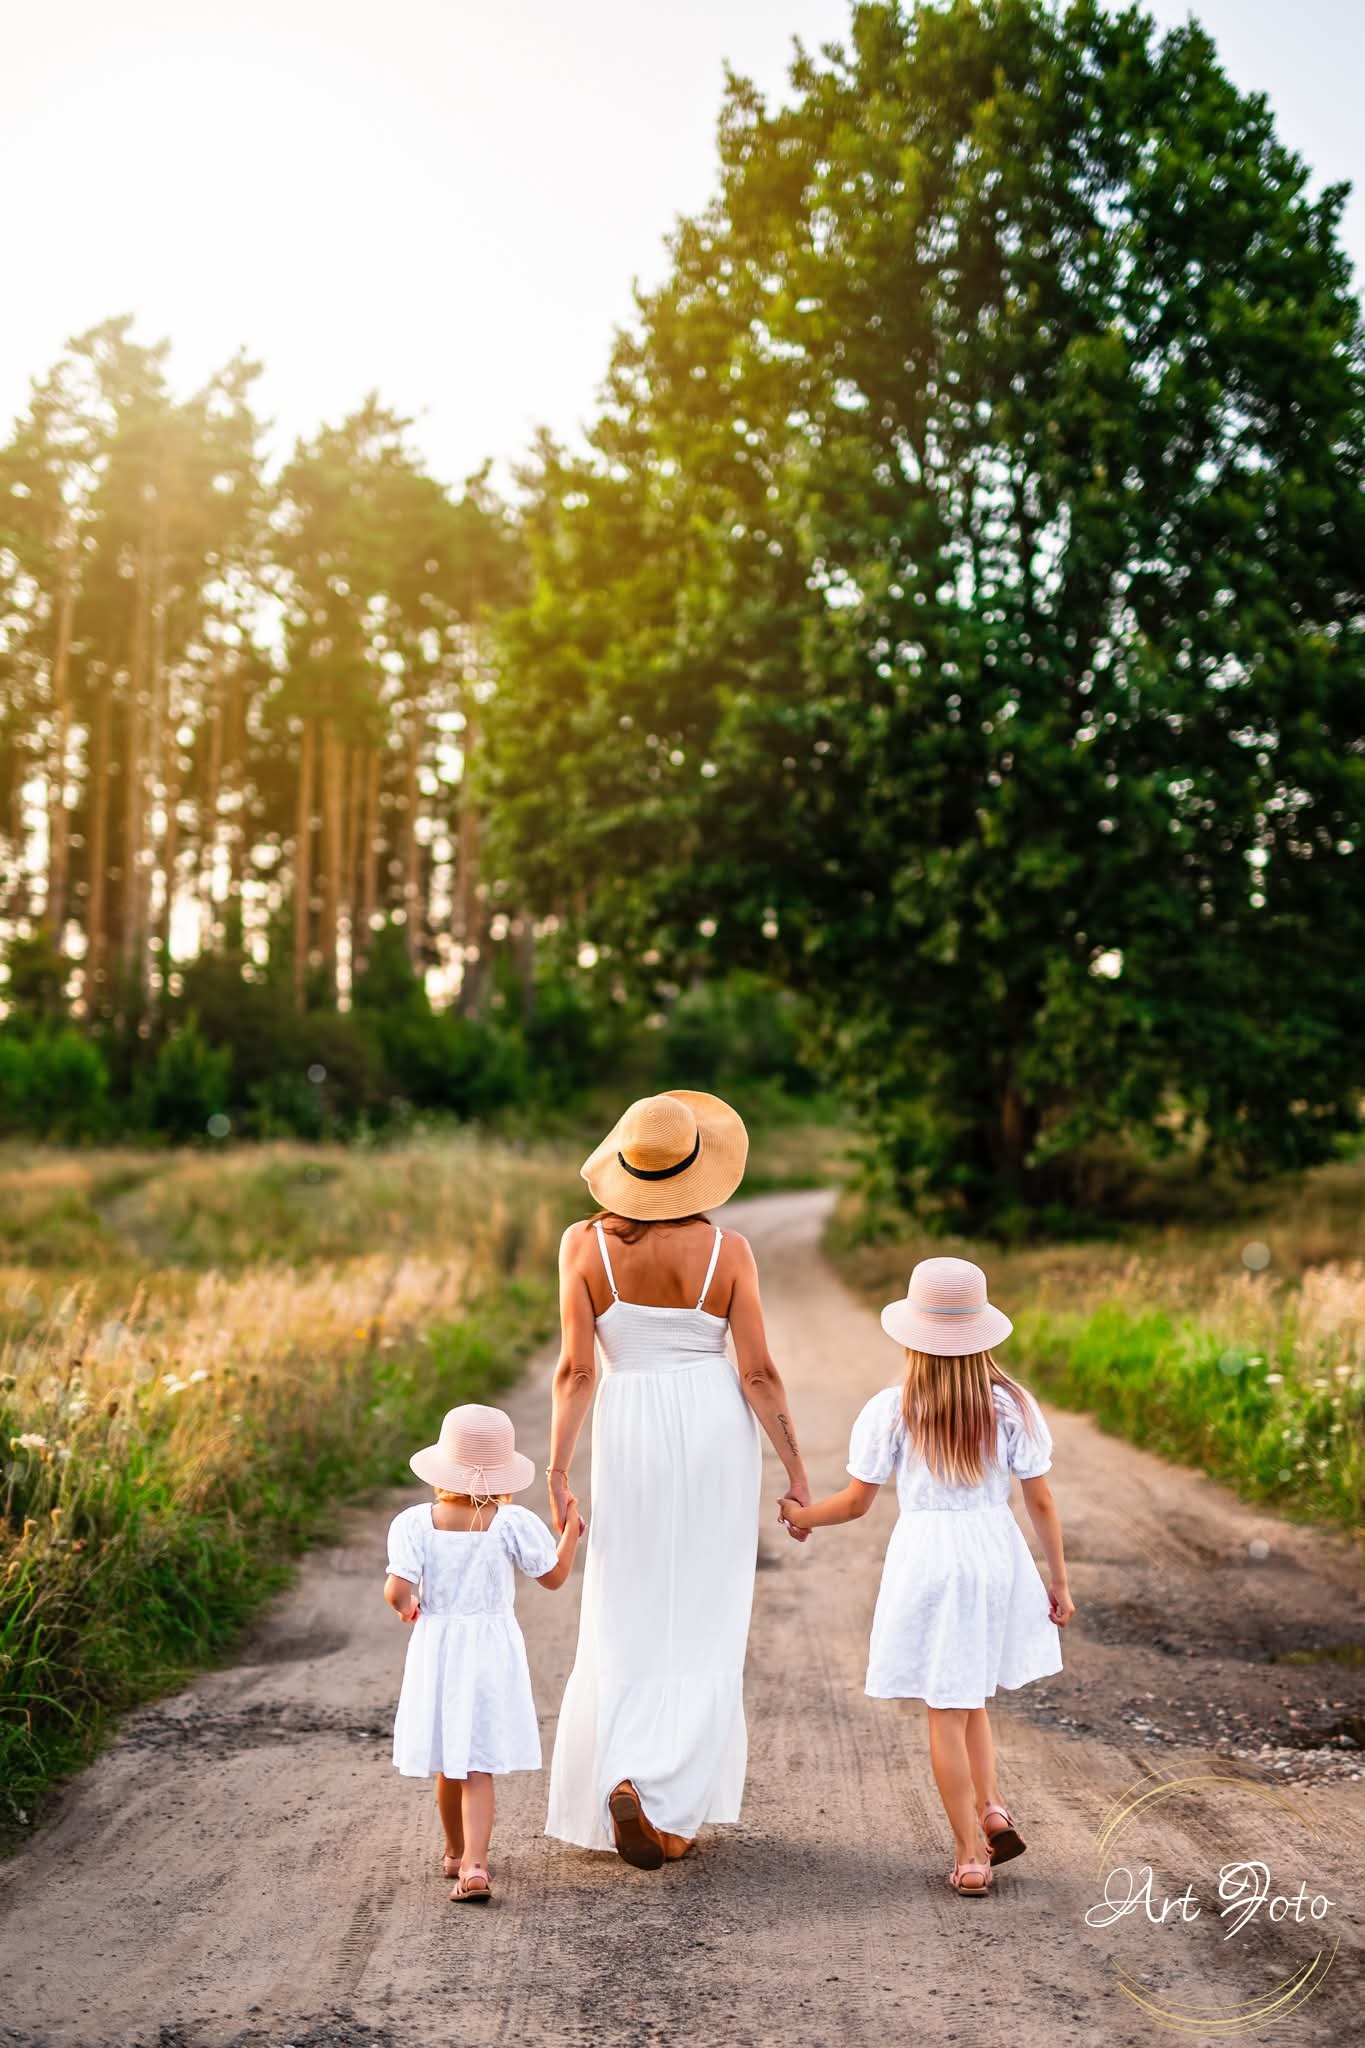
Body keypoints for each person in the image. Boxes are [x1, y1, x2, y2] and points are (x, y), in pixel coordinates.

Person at [545, 1089, 811, 1868]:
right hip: (710, 1427)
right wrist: (796, 1472)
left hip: (627, 1427)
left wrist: (559, 1471)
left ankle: (626, 1775)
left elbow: (573, 1368)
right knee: (703, 1609)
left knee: (624, 1603)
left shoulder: (581, 1245)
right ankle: (667, 1807)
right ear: (697, 1170)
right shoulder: (727, 1252)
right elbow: (757, 1372)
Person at [779, 1255, 1074, 1898]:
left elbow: (857, 1502)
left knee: (946, 1705)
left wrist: (803, 1515)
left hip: (931, 1556)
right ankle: (992, 1808)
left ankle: (971, 1854)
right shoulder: (1012, 1404)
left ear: (912, 1333)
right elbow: (1041, 1501)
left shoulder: (894, 1407)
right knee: (969, 1692)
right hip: (995, 1552)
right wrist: (1057, 1580)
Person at [384, 1403, 580, 1903]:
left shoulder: (413, 1522)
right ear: (503, 1470)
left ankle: (453, 1852)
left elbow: (397, 1590)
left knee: (450, 1757)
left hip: (438, 1645)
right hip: (490, 1649)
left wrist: (409, 1608)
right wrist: (570, 1538)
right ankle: (475, 1864)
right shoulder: (512, 1521)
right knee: (477, 1763)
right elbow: (554, 1578)